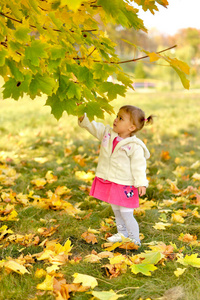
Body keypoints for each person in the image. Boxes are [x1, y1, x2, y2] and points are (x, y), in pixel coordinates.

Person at [78, 105, 153, 246]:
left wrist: (141, 182)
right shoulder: (107, 133)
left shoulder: (134, 146)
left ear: (131, 127)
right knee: (117, 210)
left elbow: (139, 166)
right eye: (117, 116)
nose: (116, 120)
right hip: (112, 181)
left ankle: (134, 239)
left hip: (125, 184)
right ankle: (122, 233)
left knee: (126, 213)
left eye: (120, 118)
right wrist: (83, 117)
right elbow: (93, 127)